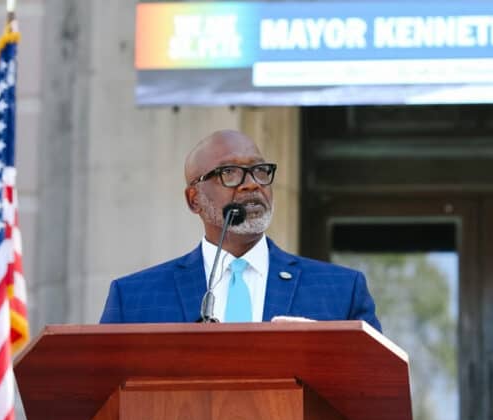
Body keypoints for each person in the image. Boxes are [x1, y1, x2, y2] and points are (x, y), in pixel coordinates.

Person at [100, 130, 381, 331]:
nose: (251, 184)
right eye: (230, 173)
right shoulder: (134, 298)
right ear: (194, 199)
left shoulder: (341, 291)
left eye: (260, 170)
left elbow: (372, 392)